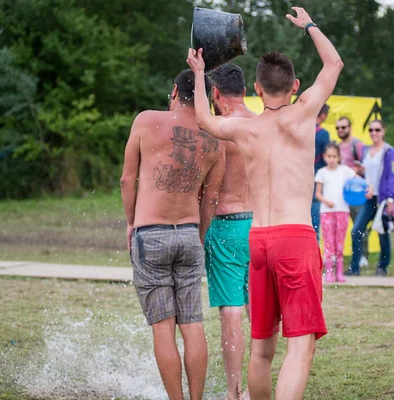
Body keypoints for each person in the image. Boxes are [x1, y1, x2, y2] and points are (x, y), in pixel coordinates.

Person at [187, 6, 344, 399]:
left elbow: (205, 120)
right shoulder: (304, 113)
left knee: (262, 348)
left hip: (259, 239)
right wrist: (309, 25)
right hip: (294, 238)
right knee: (301, 345)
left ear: (257, 89)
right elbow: (335, 62)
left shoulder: (245, 128)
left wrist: (201, 74)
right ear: (295, 87)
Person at [120, 69, 226, 400]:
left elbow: (127, 179)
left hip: (150, 231)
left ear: (174, 91)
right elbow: (210, 198)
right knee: (192, 324)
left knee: (163, 327)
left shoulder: (147, 120)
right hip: (189, 234)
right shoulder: (215, 138)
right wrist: (200, 233)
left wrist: (130, 222)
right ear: (207, 97)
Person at [203, 63, 256, 400]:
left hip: (226, 226)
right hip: (261, 224)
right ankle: (256, 387)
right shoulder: (263, 124)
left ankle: (234, 393)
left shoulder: (217, 128)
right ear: (247, 92)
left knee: (232, 313)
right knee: (260, 311)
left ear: (216, 94)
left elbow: (207, 189)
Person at [347, 119, 394, 277]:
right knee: (356, 230)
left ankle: (382, 267)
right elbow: (367, 173)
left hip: (382, 198)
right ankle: (354, 267)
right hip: (369, 197)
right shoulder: (366, 151)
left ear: (383, 131)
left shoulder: (389, 151)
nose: (374, 133)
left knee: (382, 233)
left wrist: (390, 199)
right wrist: (361, 172)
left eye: (377, 130)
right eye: (371, 130)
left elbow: (392, 176)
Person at [315, 143, 358, 283]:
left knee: (340, 243)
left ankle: (339, 272)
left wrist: (368, 188)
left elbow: (358, 180)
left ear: (339, 157)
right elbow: (318, 194)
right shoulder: (322, 172)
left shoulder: (345, 171)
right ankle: (328, 272)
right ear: (324, 157)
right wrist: (326, 201)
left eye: (334, 156)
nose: (331, 159)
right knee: (328, 243)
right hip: (327, 212)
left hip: (342, 212)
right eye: (329, 156)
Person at [336, 116, 369, 267]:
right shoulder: (337, 147)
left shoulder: (357, 145)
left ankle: (363, 255)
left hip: (356, 193)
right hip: (341, 192)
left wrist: (352, 170)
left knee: (359, 224)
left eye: (343, 127)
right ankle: (337, 256)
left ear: (350, 128)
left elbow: (365, 167)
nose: (340, 130)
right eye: (338, 128)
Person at [311, 104, 330, 240]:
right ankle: (313, 252)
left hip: (298, 178)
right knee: (314, 220)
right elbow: (326, 159)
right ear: (323, 115)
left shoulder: (302, 129)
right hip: (316, 178)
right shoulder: (323, 134)